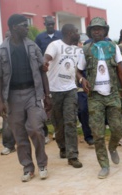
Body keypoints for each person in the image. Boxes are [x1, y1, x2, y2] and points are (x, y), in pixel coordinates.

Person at [77, 17, 122, 179]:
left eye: (100, 29)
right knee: (98, 134)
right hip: (95, 97)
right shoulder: (86, 49)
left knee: (117, 129)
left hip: (112, 94)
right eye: (94, 29)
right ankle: (104, 165)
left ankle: (113, 147)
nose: (97, 31)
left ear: (105, 31)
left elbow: (121, 72)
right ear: (90, 31)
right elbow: (78, 70)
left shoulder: (112, 47)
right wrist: (82, 79)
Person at [0, 14, 51, 182]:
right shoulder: (2, 50)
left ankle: (42, 163)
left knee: (36, 128)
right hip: (12, 96)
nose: (27, 28)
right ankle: (28, 168)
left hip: (32, 93)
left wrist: (47, 95)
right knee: (20, 135)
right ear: (14, 27)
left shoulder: (33, 46)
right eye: (24, 25)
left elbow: (42, 70)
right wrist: (0, 102)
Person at [44, 24, 83, 168]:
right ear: (69, 33)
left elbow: (76, 68)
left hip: (70, 89)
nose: (78, 33)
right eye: (76, 31)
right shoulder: (55, 45)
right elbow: (46, 58)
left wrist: (81, 79)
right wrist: (44, 62)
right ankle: (63, 147)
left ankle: (73, 155)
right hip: (54, 90)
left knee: (70, 122)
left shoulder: (77, 50)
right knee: (58, 123)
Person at [35, 16, 62, 143]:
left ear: (54, 23)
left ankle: (58, 131)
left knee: (58, 102)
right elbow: (36, 54)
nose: (50, 26)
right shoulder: (39, 38)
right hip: (45, 74)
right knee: (45, 103)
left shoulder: (61, 35)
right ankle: (45, 133)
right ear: (44, 24)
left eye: (52, 24)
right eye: (48, 24)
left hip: (59, 73)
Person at [0, 30, 16, 155]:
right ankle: (9, 145)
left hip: (25, 91)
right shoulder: (0, 52)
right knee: (7, 119)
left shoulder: (22, 50)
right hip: (7, 92)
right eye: (6, 37)